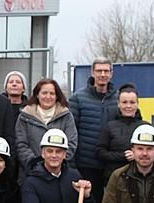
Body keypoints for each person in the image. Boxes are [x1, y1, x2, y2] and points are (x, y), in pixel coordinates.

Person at [70, 57, 119, 194]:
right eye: (99, 71)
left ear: (111, 73)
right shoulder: (77, 98)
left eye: (106, 71)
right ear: (92, 72)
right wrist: (72, 164)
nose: (102, 75)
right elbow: (71, 132)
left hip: (112, 165)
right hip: (86, 164)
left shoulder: (119, 99)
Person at [15, 79, 78, 179]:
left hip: (59, 174)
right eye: (44, 93)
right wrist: (35, 164)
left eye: (52, 93)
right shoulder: (24, 116)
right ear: (37, 94)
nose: (48, 96)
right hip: (30, 173)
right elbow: (21, 144)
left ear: (57, 96)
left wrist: (55, 164)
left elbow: (71, 143)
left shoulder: (66, 116)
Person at [94, 83, 145, 188]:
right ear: (118, 104)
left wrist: (137, 156)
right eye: (124, 102)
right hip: (113, 180)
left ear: (137, 104)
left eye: (132, 102)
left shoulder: (145, 127)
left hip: (140, 180)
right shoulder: (109, 126)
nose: (128, 106)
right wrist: (122, 156)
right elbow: (100, 152)